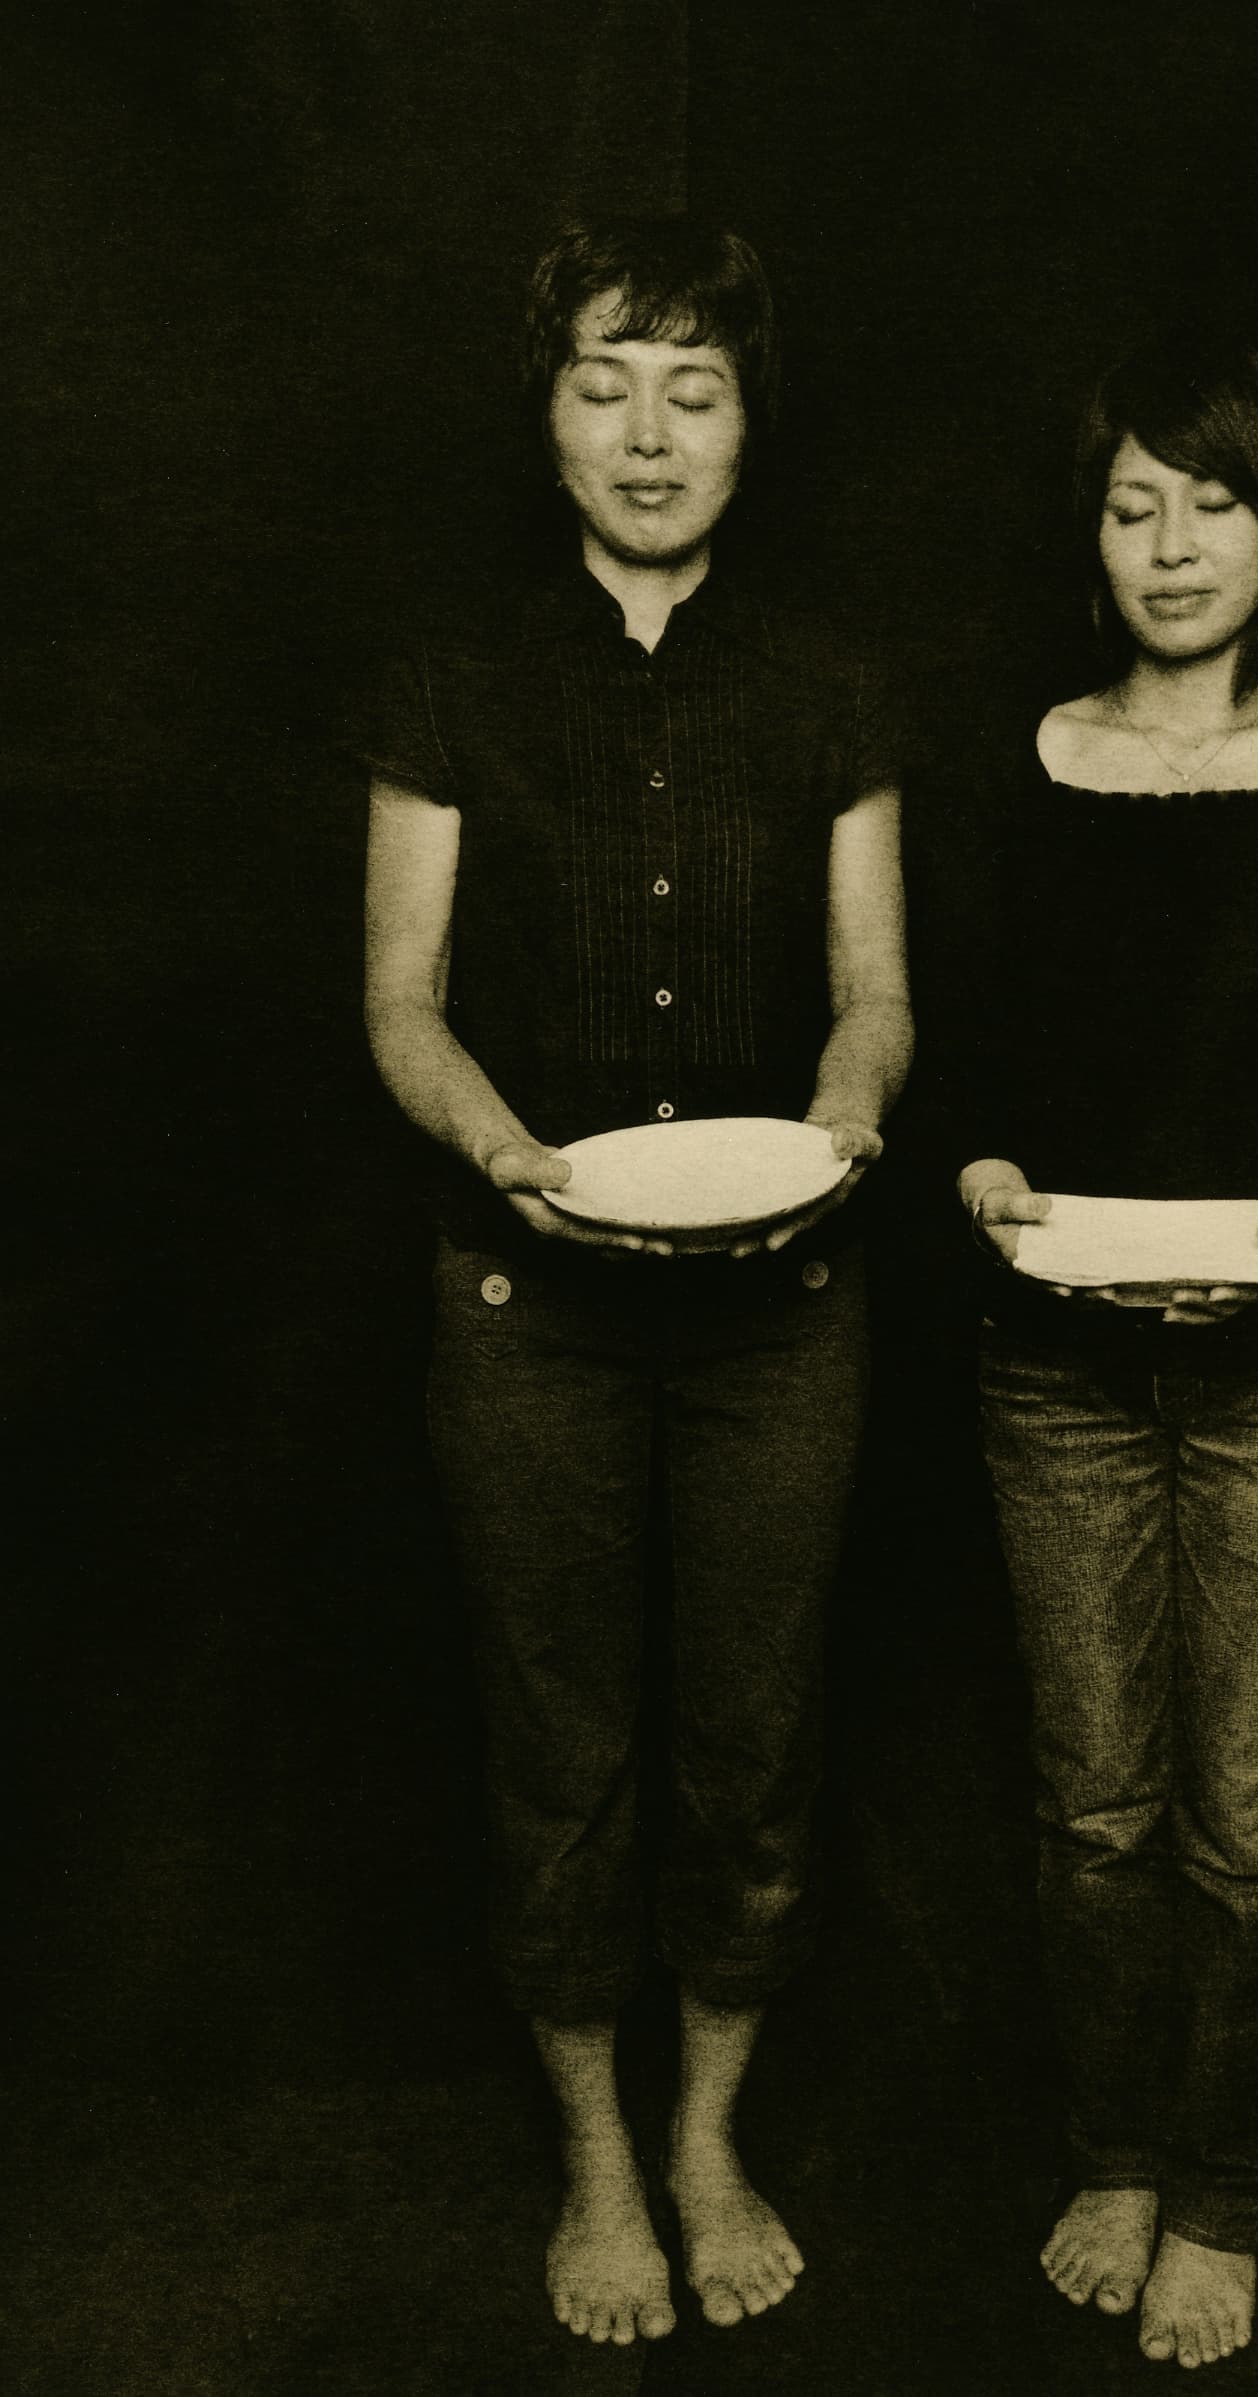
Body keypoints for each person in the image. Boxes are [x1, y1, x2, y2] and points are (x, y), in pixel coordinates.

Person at [358, 217, 911, 2348]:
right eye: (606, 386)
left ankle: (708, 2138)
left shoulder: (833, 675)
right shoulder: (450, 671)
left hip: (785, 1303)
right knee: (559, 1741)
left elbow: (874, 993)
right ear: (551, 415)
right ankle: (595, 2156)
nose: (649, 433)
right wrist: (503, 1151)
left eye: (695, 389)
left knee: (753, 1741)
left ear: (752, 425)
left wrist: (847, 1112)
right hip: (529, 1305)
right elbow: (401, 1001)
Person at [934, 336, 1258, 2369]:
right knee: (1092, 1811)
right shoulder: (1017, 764)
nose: (1168, 544)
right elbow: (956, 1051)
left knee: (1249, 1825)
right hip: (1051, 1368)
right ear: (1089, 536)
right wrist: (979, 1169)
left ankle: (1224, 2196)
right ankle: (1118, 2153)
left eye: (1210, 503)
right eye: (1132, 503)